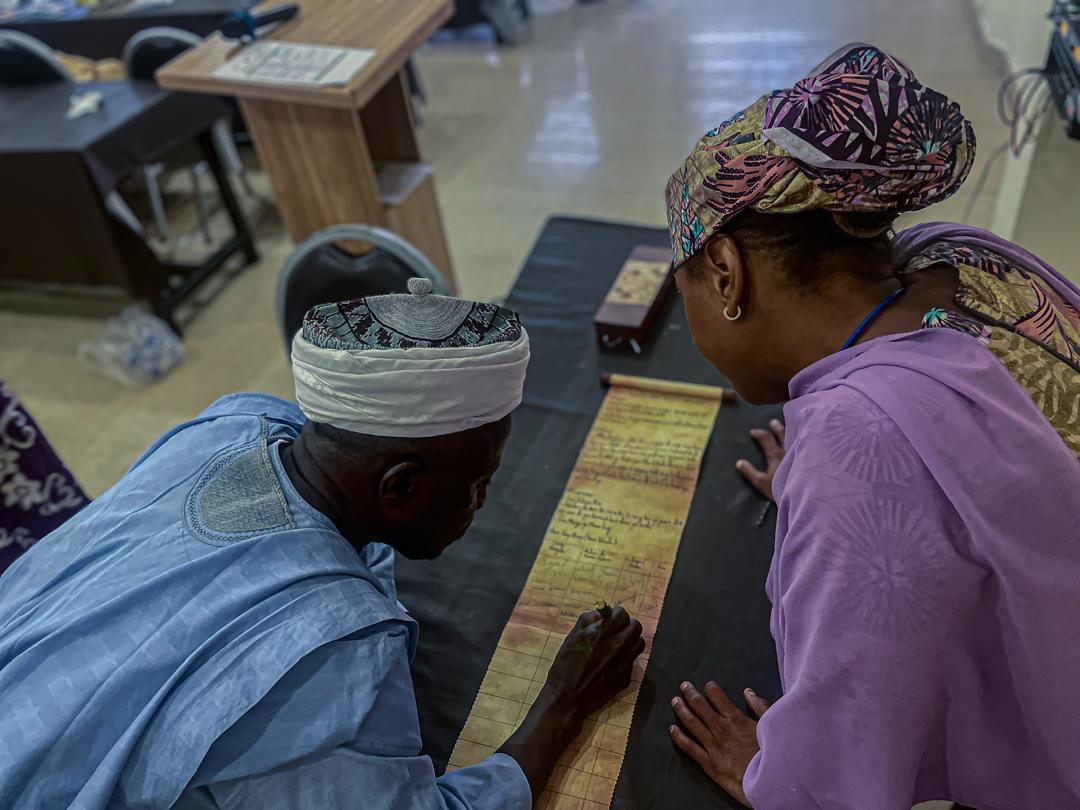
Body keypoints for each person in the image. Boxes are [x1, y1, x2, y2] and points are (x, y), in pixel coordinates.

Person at [0, 278, 645, 809]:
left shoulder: (233, 423)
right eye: (479, 483)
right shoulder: (332, 657)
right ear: (400, 489)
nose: (481, 503)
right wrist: (565, 700)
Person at [663, 44, 1080, 809]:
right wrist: (848, 466)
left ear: (726, 271)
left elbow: (848, 755)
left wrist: (779, 777)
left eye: (682, 278)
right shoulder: (953, 260)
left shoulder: (861, 447)